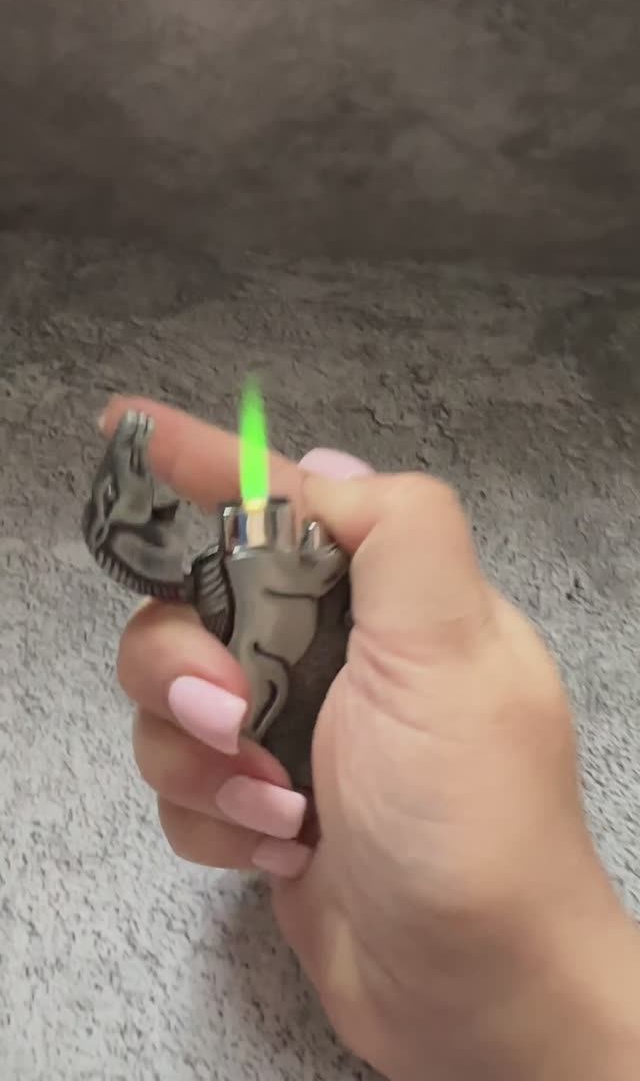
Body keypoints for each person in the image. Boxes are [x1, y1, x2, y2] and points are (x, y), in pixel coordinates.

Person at [101, 395, 640, 1081]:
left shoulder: (327, 582)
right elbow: (162, 571)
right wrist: (522, 1010)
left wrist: (522, 995)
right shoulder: (222, 582)